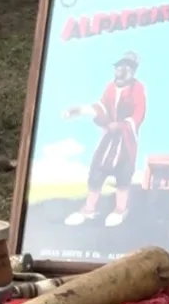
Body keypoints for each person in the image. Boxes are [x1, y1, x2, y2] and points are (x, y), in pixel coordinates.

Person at [60, 51, 147, 228]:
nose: (122, 70)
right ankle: (89, 209)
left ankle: (120, 209)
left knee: (123, 174)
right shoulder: (110, 88)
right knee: (97, 171)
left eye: (127, 67)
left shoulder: (137, 89)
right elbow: (101, 107)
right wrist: (79, 111)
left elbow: (139, 114)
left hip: (125, 140)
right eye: (120, 66)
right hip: (108, 138)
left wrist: (122, 125)